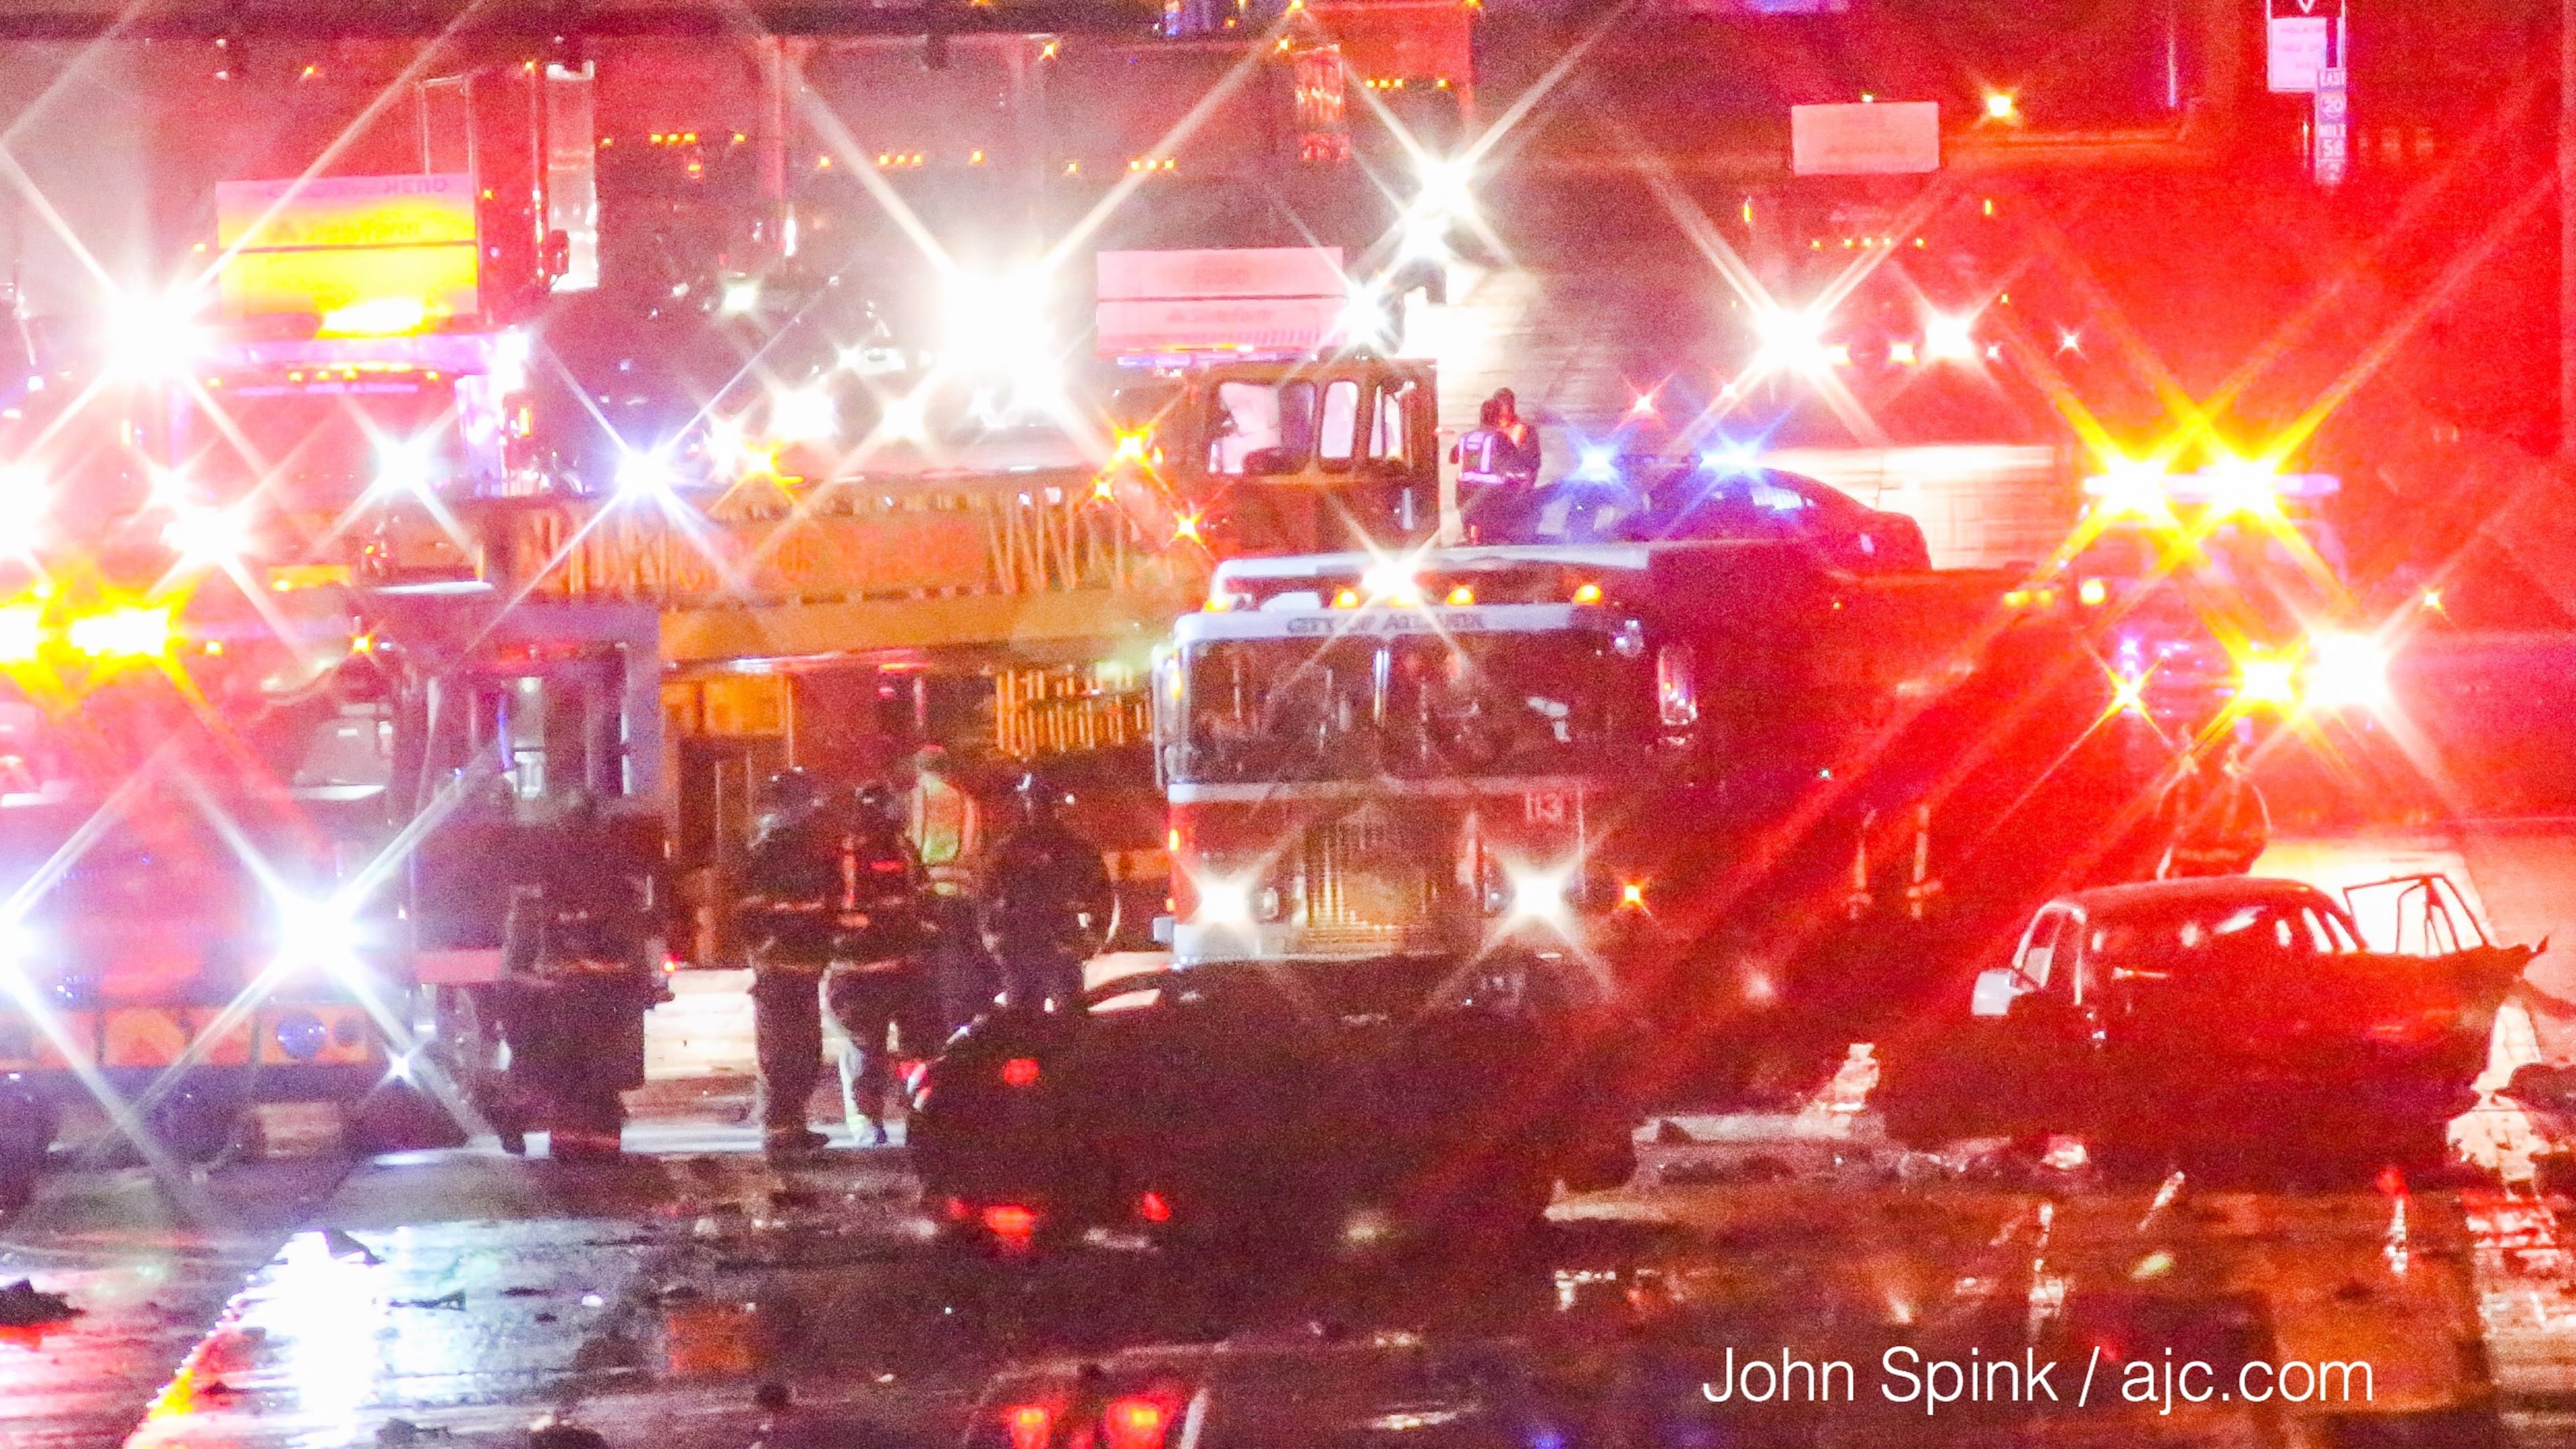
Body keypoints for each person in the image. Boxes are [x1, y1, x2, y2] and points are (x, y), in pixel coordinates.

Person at [493, 792, 660, 1161]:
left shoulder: (547, 863)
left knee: (560, 1069)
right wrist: (643, 979)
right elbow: (635, 927)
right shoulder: (610, 862)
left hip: (566, 989)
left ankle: (569, 1139)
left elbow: (524, 932)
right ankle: (587, 1143)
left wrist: (516, 977)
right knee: (583, 1071)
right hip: (597, 991)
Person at [738, 769, 845, 1158]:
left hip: (796, 963)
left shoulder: (801, 848)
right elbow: (748, 907)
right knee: (786, 1048)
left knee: (799, 1048)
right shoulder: (771, 849)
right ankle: (780, 1127)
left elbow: (830, 899)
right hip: (783, 964)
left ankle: (790, 1123)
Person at [825, 780, 933, 1146]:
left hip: (894, 968)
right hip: (865, 970)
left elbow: (922, 898)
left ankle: (909, 1118)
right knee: (867, 1048)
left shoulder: (897, 849)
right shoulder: (851, 853)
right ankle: (870, 1120)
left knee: (908, 1049)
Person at [976, 773, 1116, 1014]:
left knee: (1070, 1023)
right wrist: (994, 941)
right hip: (1020, 949)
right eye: (1032, 801)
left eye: (1041, 802)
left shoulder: (1077, 850)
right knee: (1024, 1024)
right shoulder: (1006, 851)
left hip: (1059, 948)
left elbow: (1101, 897)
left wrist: (1092, 940)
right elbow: (986, 897)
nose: (1036, 808)